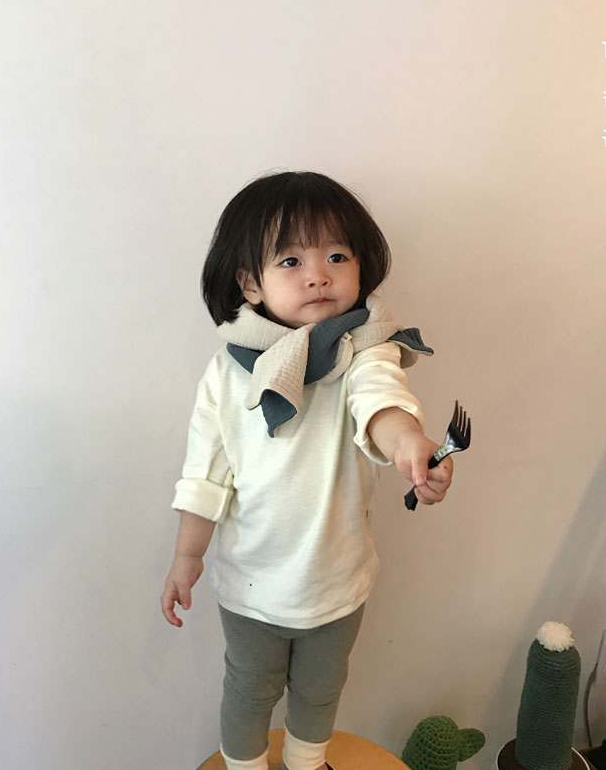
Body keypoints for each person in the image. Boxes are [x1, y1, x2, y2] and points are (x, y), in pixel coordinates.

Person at [161, 171, 453, 770]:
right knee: (249, 691)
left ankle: (306, 762)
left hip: (337, 579)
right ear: (249, 282)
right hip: (251, 584)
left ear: (361, 265)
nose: (318, 274)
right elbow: (205, 476)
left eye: (336, 256)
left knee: (321, 690)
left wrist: (408, 444)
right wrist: (187, 557)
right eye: (291, 260)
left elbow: (381, 400)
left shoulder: (364, 348)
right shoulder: (227, 372)